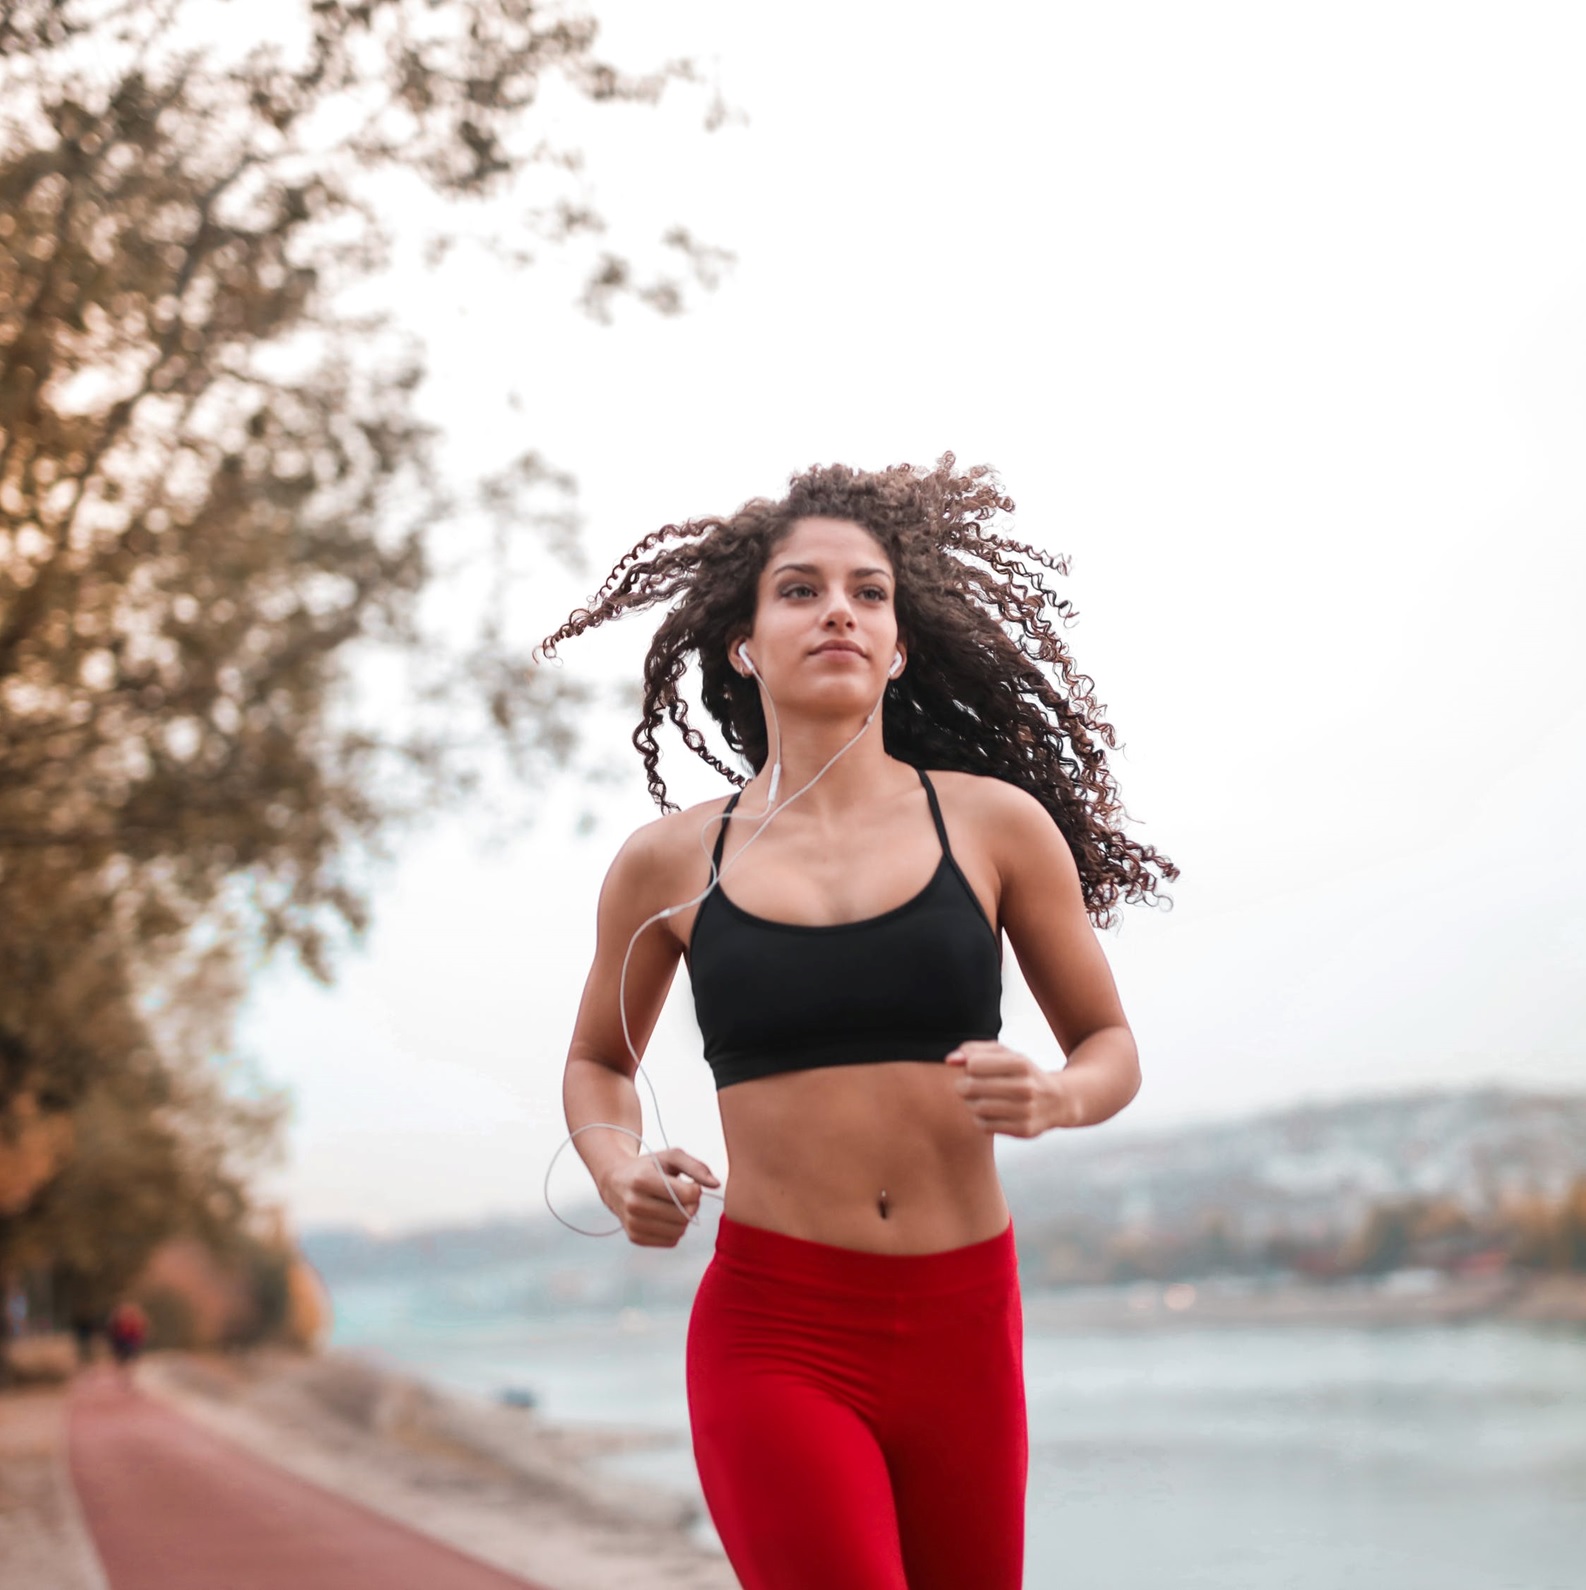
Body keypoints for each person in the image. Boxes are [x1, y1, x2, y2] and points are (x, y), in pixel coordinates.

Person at [543, 455, 1177, 1590]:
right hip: (775, 1331)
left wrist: (1055, 1094)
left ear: (897, 643)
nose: (837, 608)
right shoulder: (667, 863)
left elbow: (1109, 1047)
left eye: (867, 592)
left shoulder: (993, 828)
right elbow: (598, 1060)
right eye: (797, 589)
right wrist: (612, 1166)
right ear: (742, 643)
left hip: (962, 1325)